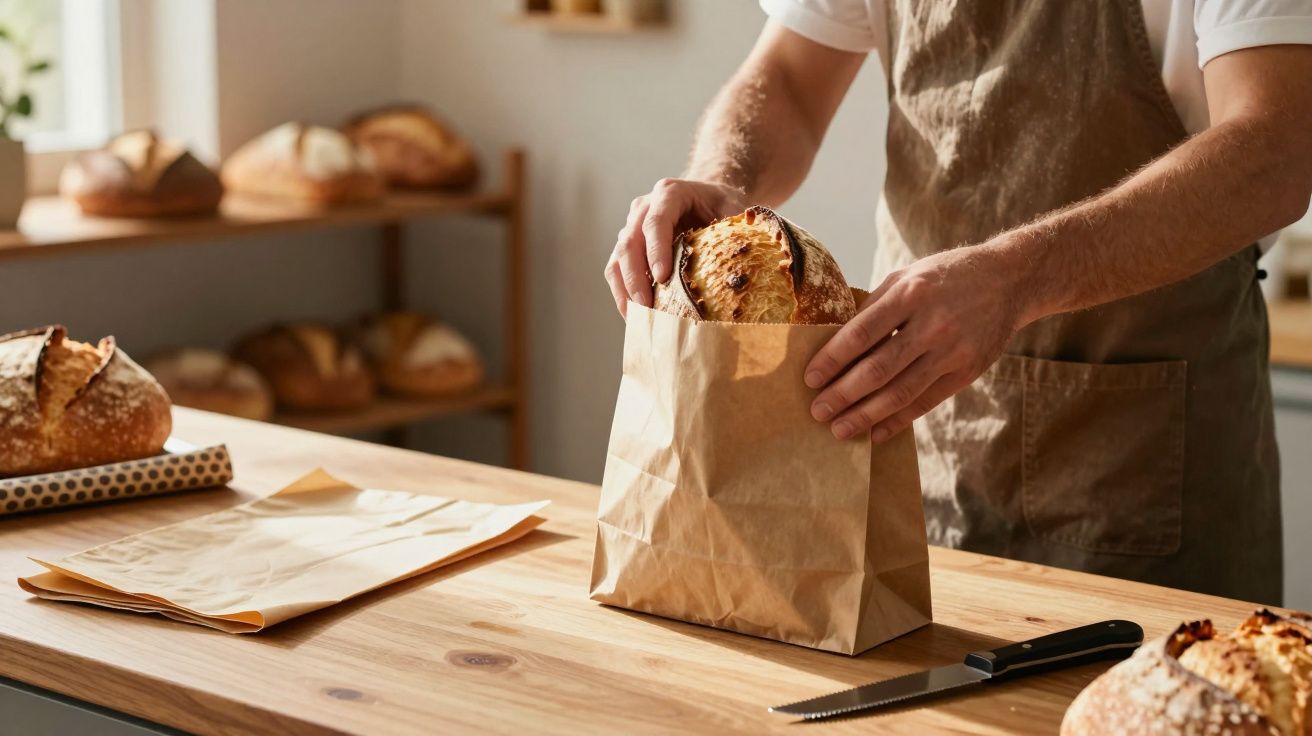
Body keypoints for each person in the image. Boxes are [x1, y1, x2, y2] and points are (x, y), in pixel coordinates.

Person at [603, 0, 1312, 603]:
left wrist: (1015, 278)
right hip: (912, 427)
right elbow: (788, 77)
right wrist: (722, 179)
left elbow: (1276, 149)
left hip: (1146, 465)